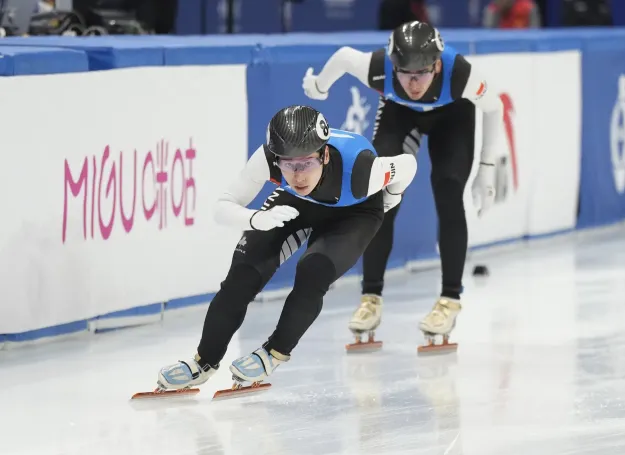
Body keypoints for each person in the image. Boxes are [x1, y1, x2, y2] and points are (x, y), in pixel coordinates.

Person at [152, 105, 417, 394]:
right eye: (288, 165)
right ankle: (203, 362)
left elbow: (408, 165)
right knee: (242, 274)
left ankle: (273, 352)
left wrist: (389, 198)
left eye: (306, 163)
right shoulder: (267, 158)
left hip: (355, 211)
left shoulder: (364, 169)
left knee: (313, 271)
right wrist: (256, 219)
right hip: (296, 204)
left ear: (325, 155)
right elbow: (222, 207)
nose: (298, 175)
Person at [302, 21, 504, 351]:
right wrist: (319, 85)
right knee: (381, 195)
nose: (413, 83)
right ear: (392, 65)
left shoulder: (461, 73)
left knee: (448, 188)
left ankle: (450, 299)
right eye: (404, 73)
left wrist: (486, 167)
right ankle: (370, 297)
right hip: (400, 115)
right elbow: (342, 58)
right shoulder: (380, 67)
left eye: (422, 73)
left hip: (452, 118)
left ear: (437, 65)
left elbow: (494, 107)